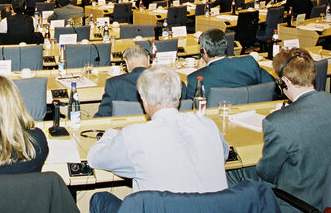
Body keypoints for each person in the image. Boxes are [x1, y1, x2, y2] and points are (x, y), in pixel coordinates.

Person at [88, 66, 228, 211]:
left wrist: (111, 132)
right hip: (214, 208)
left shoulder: (136, 135)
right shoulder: (207, 124)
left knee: (100, 199)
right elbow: (224, 154)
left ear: (144, 100)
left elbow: (94, 158)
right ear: (179, 95)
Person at [236, 49, 331, 212]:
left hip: (300, 204)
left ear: (284, 81)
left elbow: (267, 173)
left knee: (237, 173)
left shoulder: (277, 122)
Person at [95, 45, 187, 118]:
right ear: (148, 60)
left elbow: (102, 118)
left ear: (126, 63)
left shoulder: (113, 84)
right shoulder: (174, 81)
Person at [185, 29, 274, 99]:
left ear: (203, 50)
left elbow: (192, 108)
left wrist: (201, 71)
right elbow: (271, 87)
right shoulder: (249, 62)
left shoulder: (195, 79)